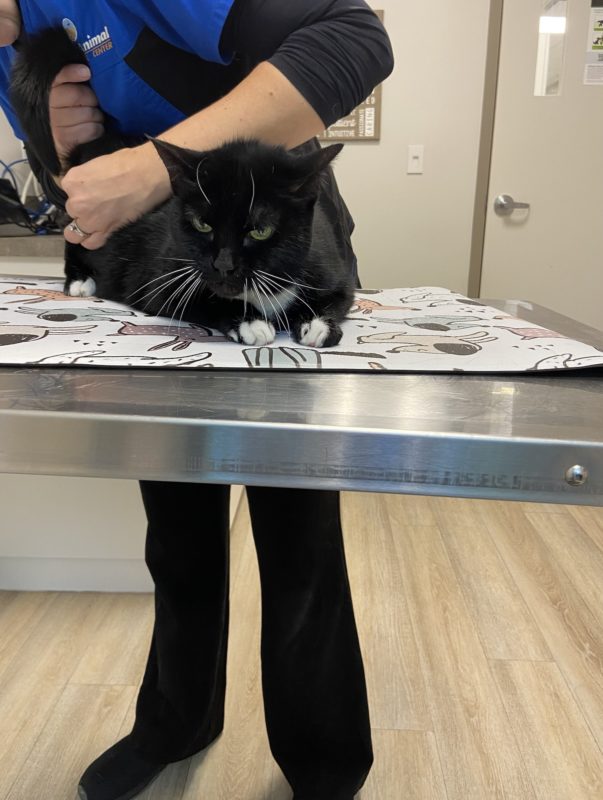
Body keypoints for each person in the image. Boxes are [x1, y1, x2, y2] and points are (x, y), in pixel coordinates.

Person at [0, 2, 394, 798]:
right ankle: (177, 718)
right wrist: (65, 146)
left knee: (296, 528)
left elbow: (356, 39)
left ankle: (324, 762)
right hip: (169, 271)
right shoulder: (13, 53)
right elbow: (77, 187)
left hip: (278, 244)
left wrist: (149, 165)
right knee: (175, 520)